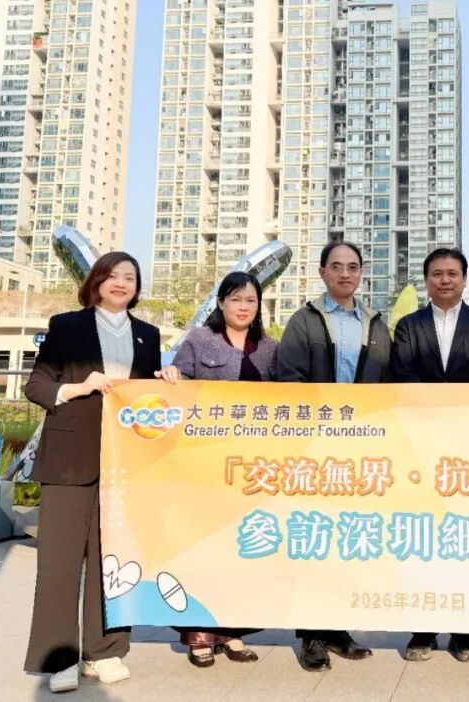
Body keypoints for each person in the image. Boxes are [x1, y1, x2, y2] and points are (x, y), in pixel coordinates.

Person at [23, 252, 164, 693]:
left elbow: (146, 398)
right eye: (113, 275)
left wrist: (166, 382)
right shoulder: (68, 326)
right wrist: (77, 388)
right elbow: (37, 384)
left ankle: (104, 652)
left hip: (123, 461)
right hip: (68, 458)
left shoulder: (148, 335)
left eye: (130, 277)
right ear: (97, 281)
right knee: (59, 564)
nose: (122, 283)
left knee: (112, 560)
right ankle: (60, 658)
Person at [276, 241, 389, 671]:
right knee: (313, 538)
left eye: (353, 267)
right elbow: (289, 380)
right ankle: (311, 636)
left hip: (360, 453)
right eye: (337, 266)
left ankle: (338, 628)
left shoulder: (376, 324)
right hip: (314, 449)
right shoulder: (303, 321)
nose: (345, 273)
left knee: (346, 542)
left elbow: (390, 386)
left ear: (361, 273)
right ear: (322, 272)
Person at [157, 270, 277, 667]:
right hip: (204, 465)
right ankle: (199, 633)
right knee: (202, 547)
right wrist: (171, 376)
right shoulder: (199, 340)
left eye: (250, 300)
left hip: (251, 469)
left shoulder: (270, 349)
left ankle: (231, 631)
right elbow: (176, 386)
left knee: (240, 549)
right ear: (221, 302)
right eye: (235, 299)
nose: (243, 307)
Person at [390, 247, 469, 663]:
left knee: (463, 537)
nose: (445, 280)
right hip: (421, 446)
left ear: (465, 279)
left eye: (453, 273)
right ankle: (422, 629)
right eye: (437, 274)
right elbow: (402, 375)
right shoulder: (409, 326)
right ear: (427, 280)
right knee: (423, 537)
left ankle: (463, 630)